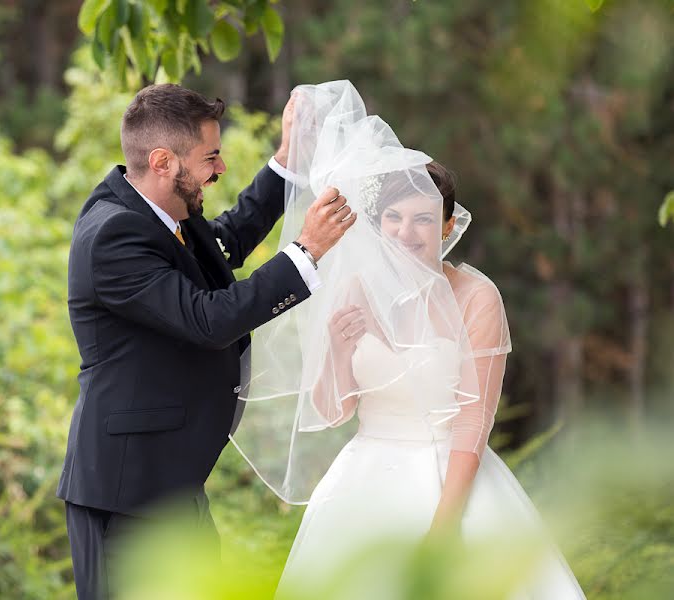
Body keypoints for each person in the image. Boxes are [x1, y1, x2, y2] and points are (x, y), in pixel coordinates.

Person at [230, 81, 585, 599]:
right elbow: (332, 411)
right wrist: (336, 346)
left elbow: (474, 420)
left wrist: (445, 526)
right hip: (364, 479)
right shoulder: (356, 288)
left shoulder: (476, 297)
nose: (406, 232)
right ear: (379, 225)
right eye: (393, 219)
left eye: (422, 219)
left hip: (453, 478)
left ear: (446, 227)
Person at [55, 83, 357, 600]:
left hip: (172, 484)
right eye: (210, 157)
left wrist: (286, 161)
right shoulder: (112, 235)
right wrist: (307, 250)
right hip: (127, 493)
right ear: (162, 161)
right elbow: (208, 319)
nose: (219, 170)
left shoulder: (162, 215)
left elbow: (227, 241)